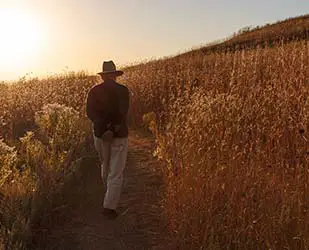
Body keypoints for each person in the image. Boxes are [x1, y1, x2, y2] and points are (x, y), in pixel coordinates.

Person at [86, 60, 129, 219]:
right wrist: (113, 129)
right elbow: (123, 113)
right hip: (119, 135)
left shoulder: (94, 91)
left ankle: (107, 194)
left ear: (103, 76)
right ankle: (109, 208)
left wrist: (104, 130)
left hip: (100, 135)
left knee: (105, 164)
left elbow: (90, 113)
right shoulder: (123, 91)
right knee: (116, 171)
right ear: (115, 75)